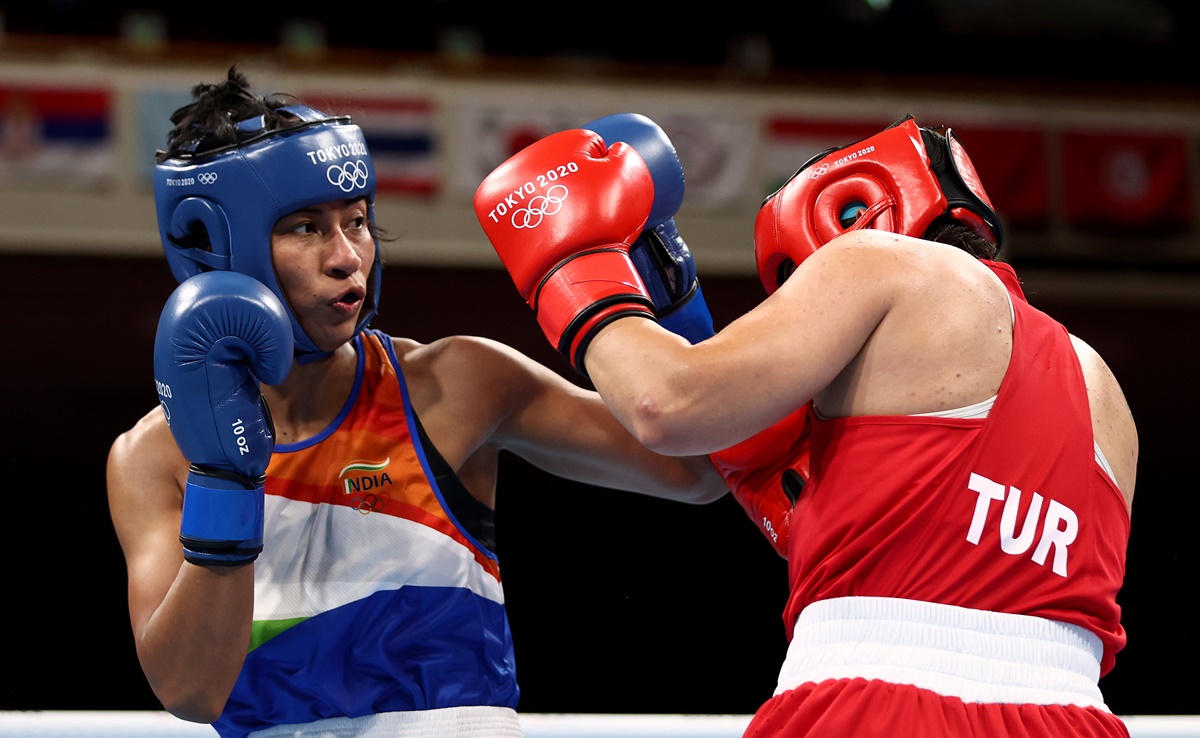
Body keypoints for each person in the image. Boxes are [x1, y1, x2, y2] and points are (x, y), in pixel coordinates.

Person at [105, 67, 730, 738]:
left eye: (358, 221)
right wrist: (224, 478)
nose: (348, 258)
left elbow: (695, 470)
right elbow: (193, 692)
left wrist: (662, 278)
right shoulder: (154, 457)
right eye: (307, 229)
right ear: (214, 245)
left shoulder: (452, 385)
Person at [473, 114, 1137, 737]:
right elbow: (926, 555)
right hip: (1075, 714)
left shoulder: (879, 262)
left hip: (875, 703)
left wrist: (571, 263)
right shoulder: (1102, 388)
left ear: (851, 215)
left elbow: (663, 402)